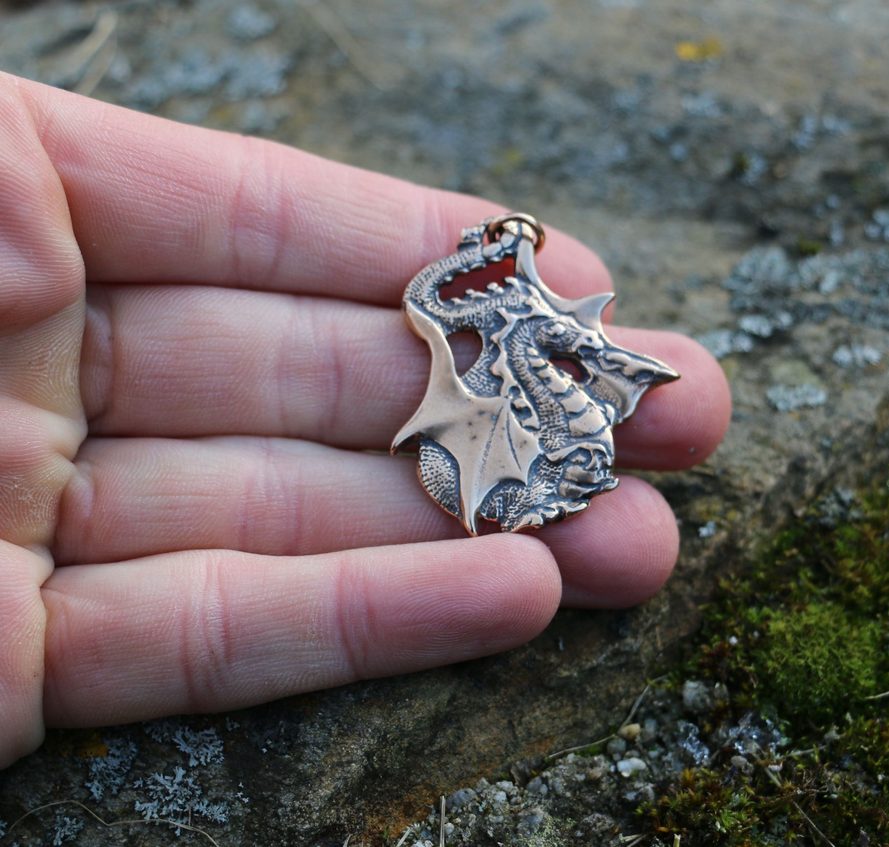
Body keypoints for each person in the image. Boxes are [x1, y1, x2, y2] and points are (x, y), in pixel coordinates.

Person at [0, 71, 731, 768]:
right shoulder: (486, 310)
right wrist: (488, 260)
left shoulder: (534, 313)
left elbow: (575, 343)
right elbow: (427, 304)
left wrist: (519, 275)